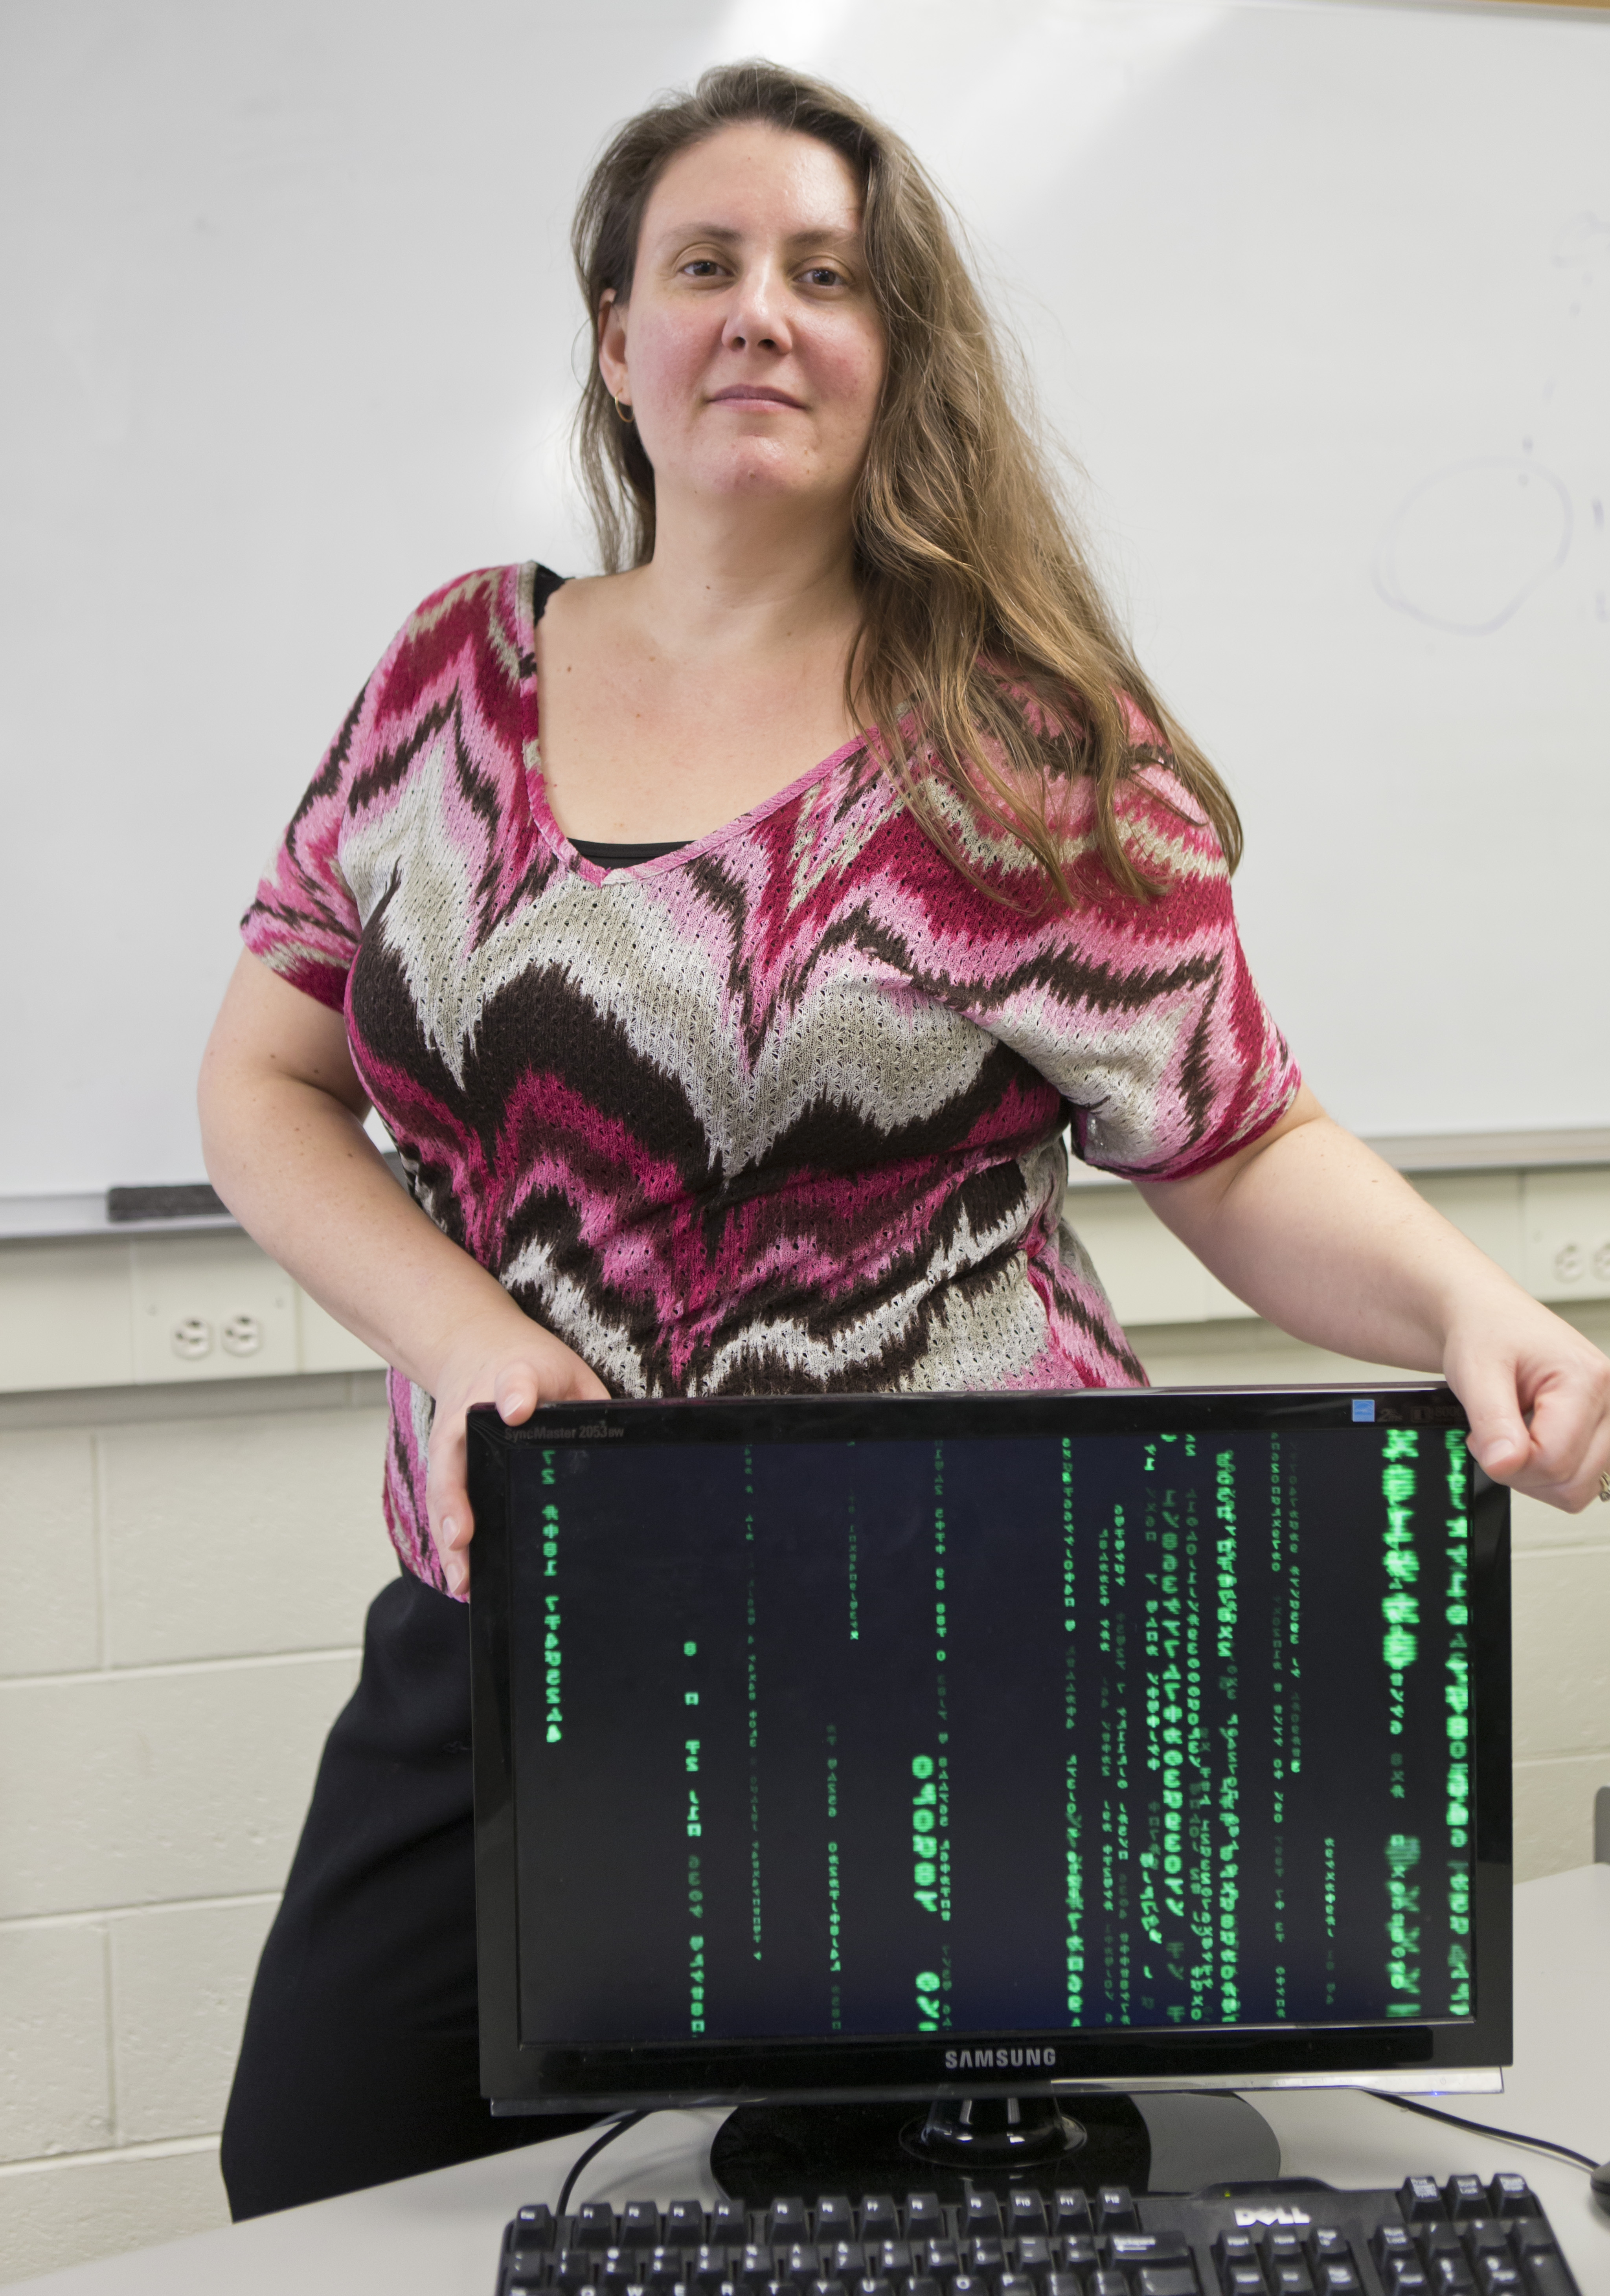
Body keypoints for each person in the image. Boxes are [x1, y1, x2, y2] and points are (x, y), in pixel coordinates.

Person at [199, 61, 1610, 2220]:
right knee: (313, 2175)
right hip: (514, 1620)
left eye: (826, 274)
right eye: (706, 265)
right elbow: (262, 1084)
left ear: (891, 351)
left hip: (940, 1653)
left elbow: (1233, 1138)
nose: (763, 311)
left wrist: (1470, 1302)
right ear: (616, 341)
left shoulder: (1019, 737)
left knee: (919, 2242)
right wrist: (469, 1335)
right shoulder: (446, 676)